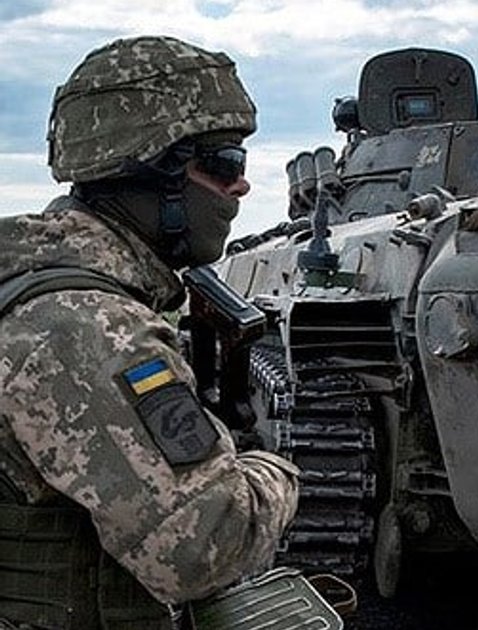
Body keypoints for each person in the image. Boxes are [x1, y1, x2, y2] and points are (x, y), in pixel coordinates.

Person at [0, 36, 300, 629]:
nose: (241, 187)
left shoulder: (32, 283)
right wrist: (273, 468)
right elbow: (203, 549)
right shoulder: (90, 329)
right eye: (224, 164)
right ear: (150, 171)